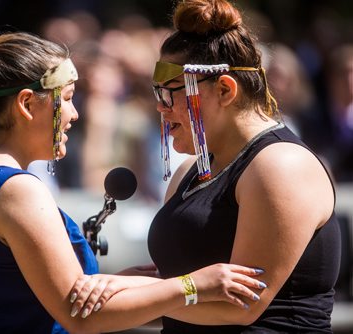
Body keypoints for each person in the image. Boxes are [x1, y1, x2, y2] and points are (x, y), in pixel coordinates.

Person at [0, 30, 267, 333]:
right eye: (67, 99)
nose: (74, 115)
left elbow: (28, 300)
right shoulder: (17, 191)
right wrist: (192, 286)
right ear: (27, 104)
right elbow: (80, 316)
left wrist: (118, 284)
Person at [143, 0, 341, 332]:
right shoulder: (187, 172)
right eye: (157, 94)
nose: (161, 109)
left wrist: (132, 293)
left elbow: (238, 305)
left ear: (224, 89)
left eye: (171, 93)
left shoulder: (281, 165)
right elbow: (172, 293)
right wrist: (109, 289)